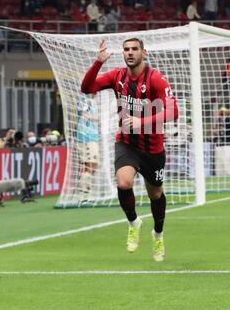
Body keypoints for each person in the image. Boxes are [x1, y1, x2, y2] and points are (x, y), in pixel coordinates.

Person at [81, 38, 179, 262]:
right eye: (126, 49)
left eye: (135, 49)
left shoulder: (155, 78)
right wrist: (98, 62)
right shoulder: (117, 76)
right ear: (123, 53)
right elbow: (86, 88)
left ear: (143, 52)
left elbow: (174, 112)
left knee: (155, 193)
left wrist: (142, 121)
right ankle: (134, 223)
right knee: (123, 182)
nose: (130, 53)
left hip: (153, 148)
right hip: (127, 143)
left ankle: (158, 234)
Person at [76, 94, 100, 199]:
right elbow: (85, 115)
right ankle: (84, 194)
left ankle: (84, 191)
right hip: (86, 136)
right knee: (90, 165)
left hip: (92, 136)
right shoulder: (86, 100)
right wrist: (96, 117)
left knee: (92, 166)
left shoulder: (93, 100)